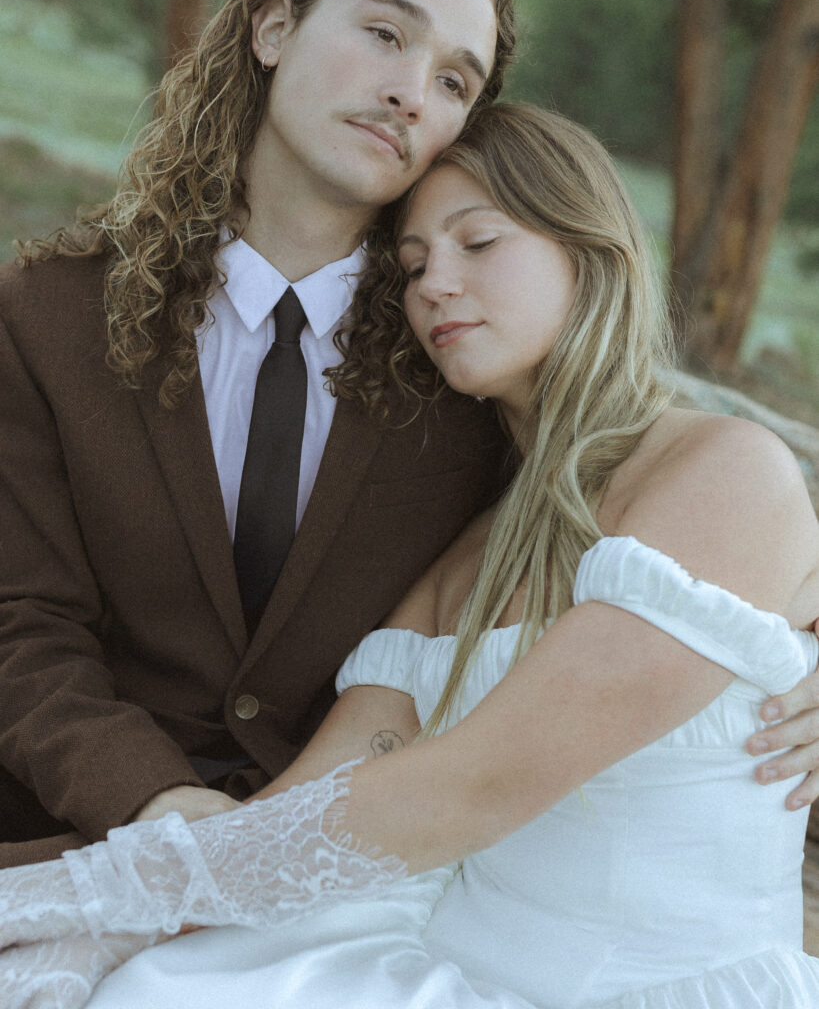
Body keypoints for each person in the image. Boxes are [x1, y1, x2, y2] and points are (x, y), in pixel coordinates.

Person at [2, 102, 819, 1009]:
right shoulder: (472, 544)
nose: (434, 285)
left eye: (478, 243)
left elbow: (479, 785)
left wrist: (73, 894)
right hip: (445, 960)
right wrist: (101, 931)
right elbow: (312, 801)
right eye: (415, 265)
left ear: (590, 250)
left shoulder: (721, 470)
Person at [0, 0, 516, 866]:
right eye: (386, 33)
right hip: (68, 828)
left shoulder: (470, 363)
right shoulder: (47, 316)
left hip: (339, 864)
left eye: (454, 83)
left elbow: (640, 481)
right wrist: (153, 799)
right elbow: (20, 621)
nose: (410, 93)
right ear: (273, 27)